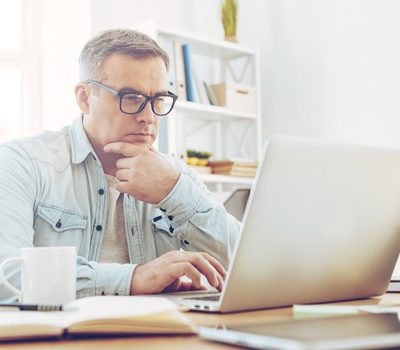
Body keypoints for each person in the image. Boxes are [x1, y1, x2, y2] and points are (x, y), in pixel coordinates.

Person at [0, 29, 240, 301]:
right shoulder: (21, 163)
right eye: (132, 98)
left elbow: (246, 264)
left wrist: (173, 192)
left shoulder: (175, 176)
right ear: (84, 97)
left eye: (158, 99)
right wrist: (134, 278)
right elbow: (5, 277)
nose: (148, 117)